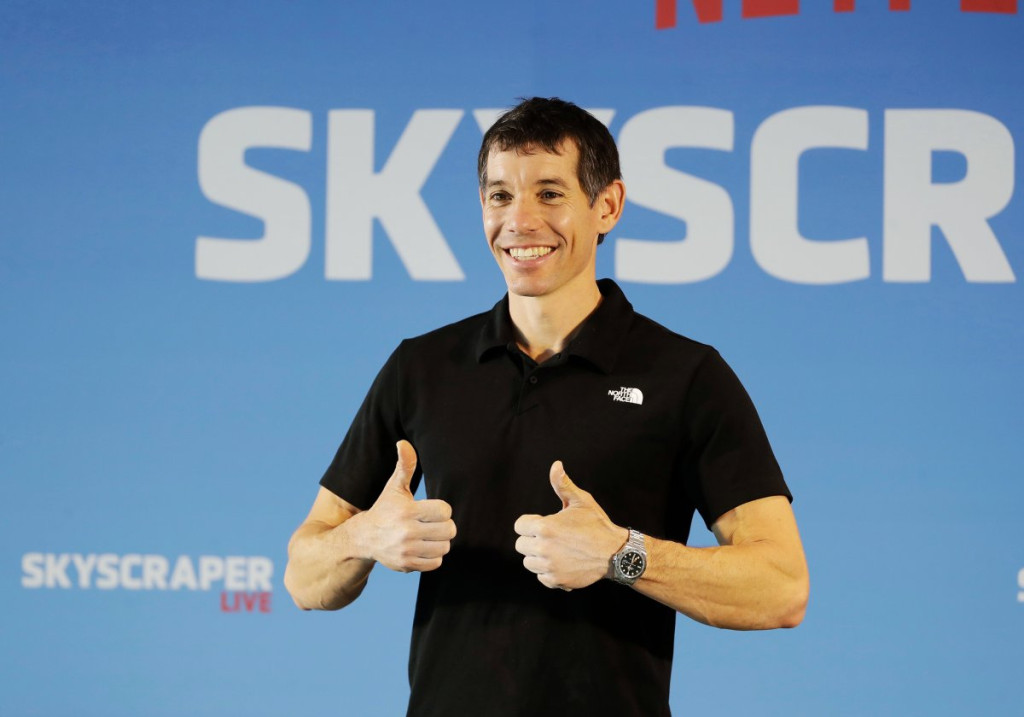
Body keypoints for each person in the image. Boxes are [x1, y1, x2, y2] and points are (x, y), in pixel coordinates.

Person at [284, 97, 809, 717]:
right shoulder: (422, 367)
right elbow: (303, 578)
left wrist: (619, 555)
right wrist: (364, 537)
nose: (520, 221)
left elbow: (781, 586)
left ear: (607, 205)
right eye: (500, 196)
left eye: (550, 194)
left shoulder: (685, 375)